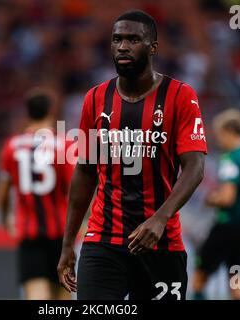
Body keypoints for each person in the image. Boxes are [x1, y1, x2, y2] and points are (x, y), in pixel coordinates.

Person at [57, 10, 207, 300]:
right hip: (103, 241)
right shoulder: (96, 98)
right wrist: (66, 244)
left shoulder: (180, 96)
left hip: (161, 243)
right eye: (117, 39)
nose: (123, 46)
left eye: (133, 39)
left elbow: (195, 168)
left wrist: (160, 219)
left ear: (153, 47)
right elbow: (85, 172)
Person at [0, 89, 73, 300]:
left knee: (36, 294)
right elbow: (76, 190)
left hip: (29, 234)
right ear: (51, 111)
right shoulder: (64, 144)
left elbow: (3, 192)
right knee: (63, 295)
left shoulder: (12, 146)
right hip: (61, 234)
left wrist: (5, 217)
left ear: (27, 113)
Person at [192, 108, 240, 300]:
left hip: (226, 227)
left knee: (200, 276)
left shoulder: (231, 160)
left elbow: (227, 198)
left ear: (229, 132)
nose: (219, 141)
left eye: (220, 135)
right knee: (236, 281)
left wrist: (211, 199)